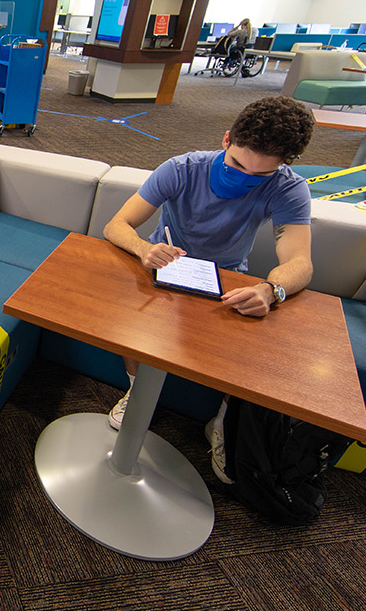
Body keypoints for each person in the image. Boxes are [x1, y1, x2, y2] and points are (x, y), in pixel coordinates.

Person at [102, 96, 316, 478]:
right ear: (226, 139)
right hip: (165, 267)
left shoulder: (288, 189)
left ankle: (223, 421)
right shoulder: (183, 169)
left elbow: (300, 263)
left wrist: (270, 290)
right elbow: (116, 225)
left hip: (229, 277)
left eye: (259, 174)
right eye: (237, 164)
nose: (245, 177)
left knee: (251, 351)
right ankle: (137, 389)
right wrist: (144, 248)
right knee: (130, 324)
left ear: (281, 166)